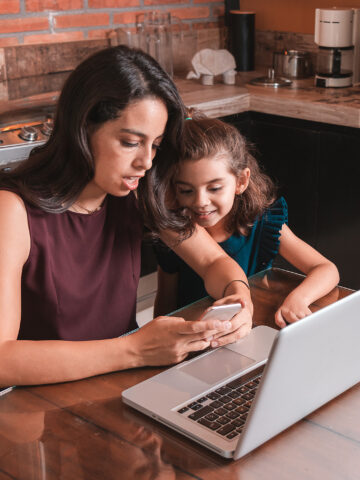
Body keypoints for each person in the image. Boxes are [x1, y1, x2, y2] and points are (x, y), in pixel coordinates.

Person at [0, 46, 253, 388]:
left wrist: (240, 297)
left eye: (156, 145)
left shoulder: (136, 192)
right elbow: (2, 359)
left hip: (123, 389)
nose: (146, 162)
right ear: (83, 128)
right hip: (40, 412)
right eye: (131, 142)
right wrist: (132, 350)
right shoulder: (11, 210)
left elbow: (213, 264)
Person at [154, 111, 339, 328]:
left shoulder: (264, 221)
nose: (201, 201)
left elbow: (326, 268)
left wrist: (298, 300)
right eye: (186, 190)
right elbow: (165, 305)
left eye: (214, 188)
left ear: (241, 181)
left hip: (254, 328)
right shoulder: (174, 232)